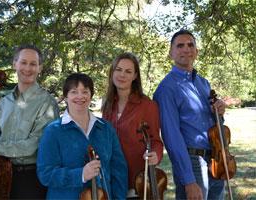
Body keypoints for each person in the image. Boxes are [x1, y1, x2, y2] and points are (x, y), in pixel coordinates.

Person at [0, 44, 59, 199]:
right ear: (14, 64)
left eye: (33, 64)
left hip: (29, 180)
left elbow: (35, 145)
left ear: (40, 68)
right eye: (23, 62)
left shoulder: (47, 103)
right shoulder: (4, 103)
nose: (28, 68)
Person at [153, 29, 227, 200]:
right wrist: (189, 181)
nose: (186, 49)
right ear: (171, 53)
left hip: (216, 161)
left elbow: (213, 123)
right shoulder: (166, 89)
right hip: (192, 162)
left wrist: (219, 111)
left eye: (190, 44)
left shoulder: (203, 83)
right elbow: (172, 138)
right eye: (180, 46)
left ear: (196, 51)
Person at [36, 73, 128, 199]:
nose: (80, 96)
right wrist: (81, 175)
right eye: (74, 92)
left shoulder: (106, 129)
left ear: (91, 96)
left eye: (85, 91)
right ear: (66, 97)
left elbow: (119, 171)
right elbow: (45, 174)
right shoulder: (53, 131)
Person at [102, 52, 164, 198]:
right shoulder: (107, 104)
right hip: (111, 179)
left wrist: (156, 155)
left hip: (137, 181)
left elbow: (156, 141)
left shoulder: (148, 105)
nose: (122, 75)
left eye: (128, 71)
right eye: (118, 69)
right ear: (112, 72)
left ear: (135, 76)